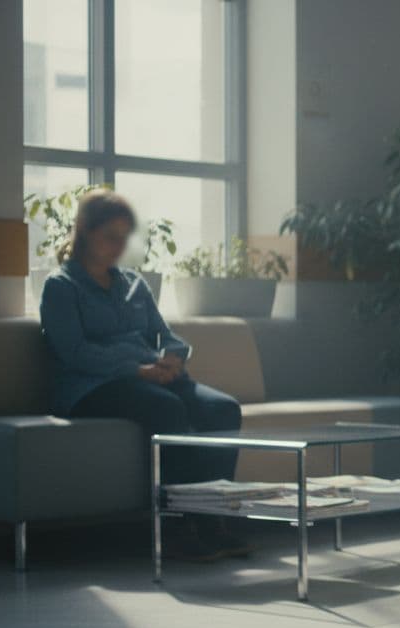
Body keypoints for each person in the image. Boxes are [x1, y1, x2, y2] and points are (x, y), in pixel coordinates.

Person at [39, 189, 247, 561]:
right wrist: (136, 370)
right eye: (111, 237)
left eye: (124, 238)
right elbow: (74, 353)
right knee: (167, 410)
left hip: (149, 375)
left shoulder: (133, 283)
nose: (119, 247)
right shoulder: (60, 287)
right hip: (92, 386)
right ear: (85, 231)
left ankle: (213, 518)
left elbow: (164, 333)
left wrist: (173, 357)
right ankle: (176, 525)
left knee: (224, 409)